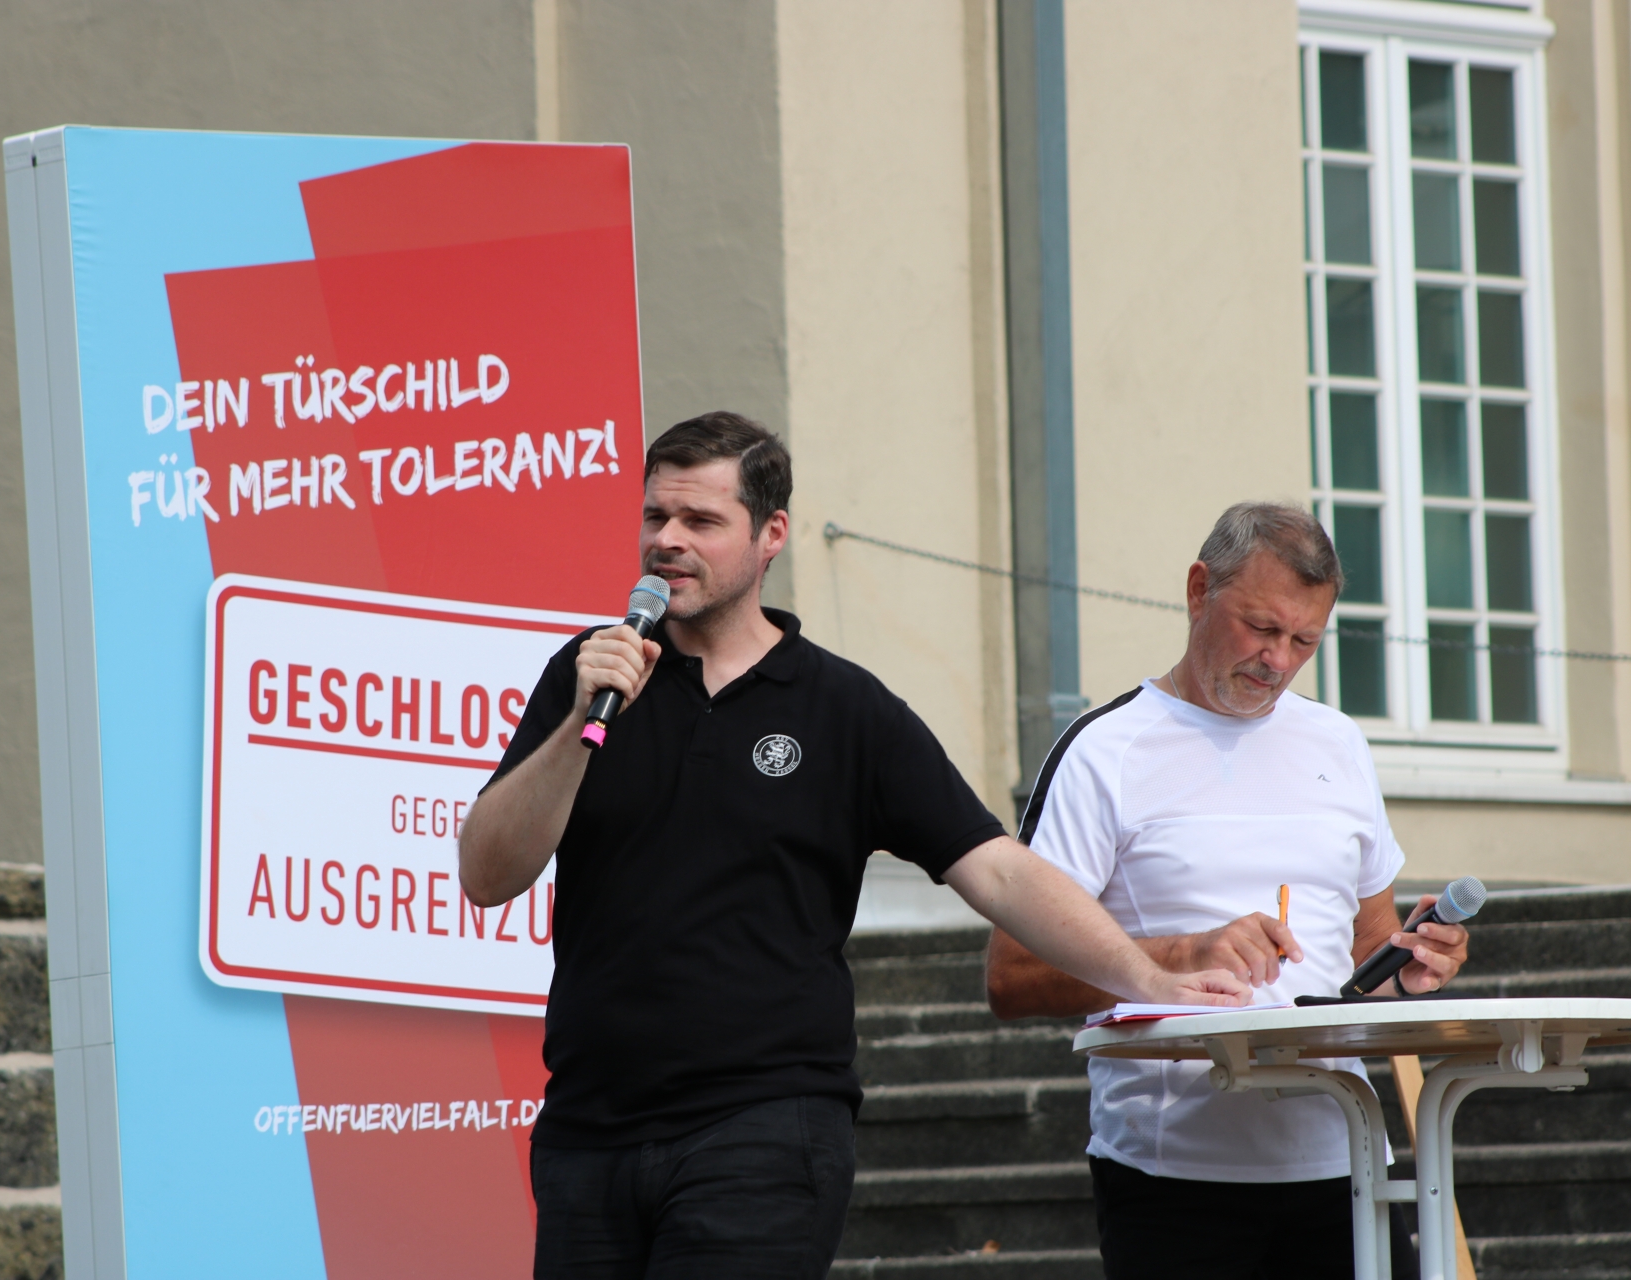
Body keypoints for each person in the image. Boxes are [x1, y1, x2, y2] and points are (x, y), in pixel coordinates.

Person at [457, 411, 1247, 1279]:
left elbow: (996, 869)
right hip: (587, 1134)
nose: (667, 541)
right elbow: (488, 874)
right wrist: (582, 720)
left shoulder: (841, 708)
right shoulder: (588, 676)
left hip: (760, 1130)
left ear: (772, 534)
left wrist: (1146, 977)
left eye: (700, 520)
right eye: (656, 517)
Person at [985, 502, 1470, 1280]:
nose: (1278, 660)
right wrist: (1181, 955)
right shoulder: (1104, 751)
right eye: (1260, 628)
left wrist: (1410, 966)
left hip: (1343, 1161)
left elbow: (1367, 954)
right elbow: (1013, 976)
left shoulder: (1338, 743)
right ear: (1198, 590)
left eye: (1305, 641)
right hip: (1173, 1175)